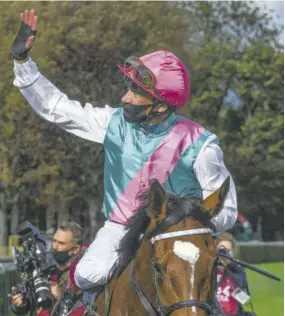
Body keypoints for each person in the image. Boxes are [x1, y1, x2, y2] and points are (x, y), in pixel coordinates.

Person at [11, 9, 238, 302]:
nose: (125, 98)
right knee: (86, 275)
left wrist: (183, 221)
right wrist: (23, 62)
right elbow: (57, 108)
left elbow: (227, 209)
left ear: (159, 105)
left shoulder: (201, 144)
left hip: (179, 233)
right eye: (129, 88)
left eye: (136, 92)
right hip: (120, 229)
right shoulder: (113, 123)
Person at [8, 222, 87, 316]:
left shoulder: (84, 274)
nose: (54, 247)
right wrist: (20, 304)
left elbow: (85, 311)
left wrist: (59, 298)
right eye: (54, 240)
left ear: (76, 249)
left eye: (61, 243)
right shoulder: (43, 263)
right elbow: (29, 305)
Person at [215, 233, 256, 316]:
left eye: (228, 250)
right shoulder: (208, 271)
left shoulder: (237, 270)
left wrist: (229, 263)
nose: (224, 253)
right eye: (221, 250)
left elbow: (239, 286)